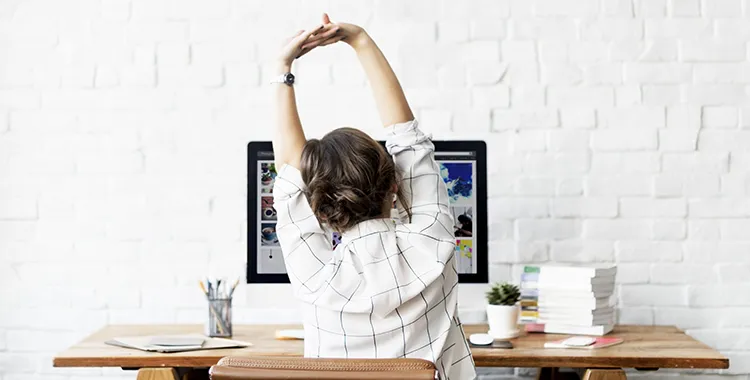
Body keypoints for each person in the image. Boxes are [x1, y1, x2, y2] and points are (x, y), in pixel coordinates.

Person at [270, 13, 477, 380]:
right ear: (395, 184)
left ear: (318, 207)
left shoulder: (315, 276)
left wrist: (282, 68)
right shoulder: (434, 240)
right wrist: (359, 39)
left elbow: (288, 172)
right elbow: (407, 137)